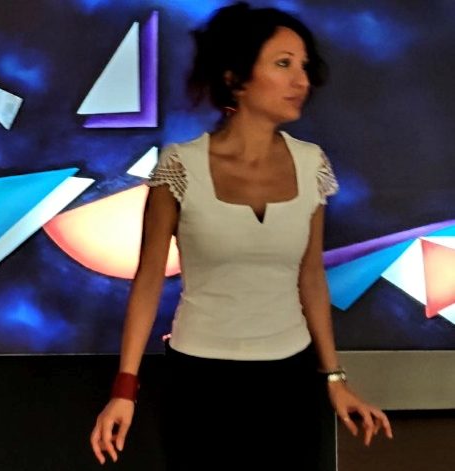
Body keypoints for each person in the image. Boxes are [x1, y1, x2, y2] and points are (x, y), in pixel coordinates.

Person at [90, 2, 393, 469]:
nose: (301, 81)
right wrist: (124, 390)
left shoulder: (311, 163)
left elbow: (311, 276)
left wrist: (334, 378)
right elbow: (148, 280)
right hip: (200, 381)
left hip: (289, 380)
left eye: (304, 66)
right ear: (235, 78)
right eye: (283, 64)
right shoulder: (181, 165)